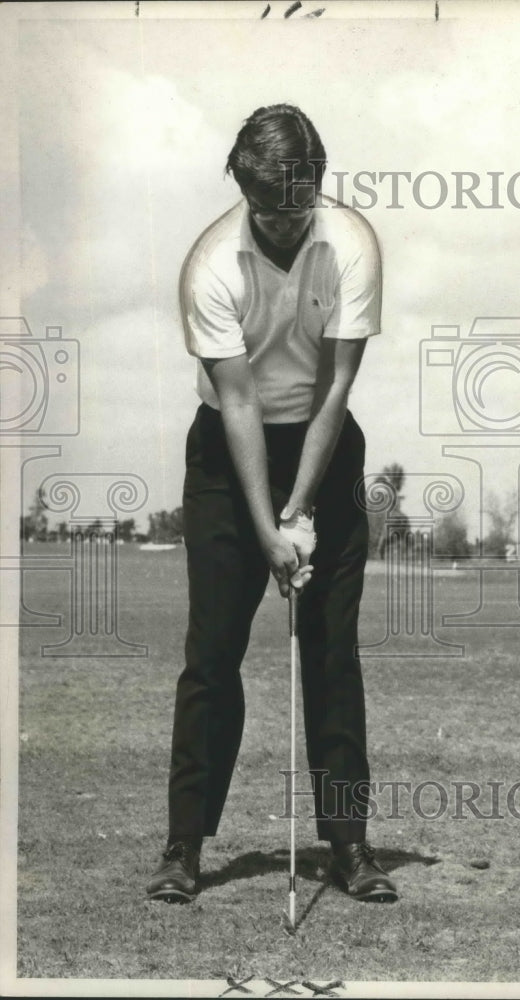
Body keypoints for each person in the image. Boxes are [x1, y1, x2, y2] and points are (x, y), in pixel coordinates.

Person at [146, 104, 397, 905]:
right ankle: (184, 846)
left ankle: (349, 847)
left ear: (317, 186)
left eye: (298, 205)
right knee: (213, 653)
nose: (285, 224)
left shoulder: (352, 245)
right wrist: (269, 526)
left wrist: (304, 509)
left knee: (332, 652)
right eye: (268, 210)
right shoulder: (210, 264)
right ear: (244, 194)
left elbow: (334, 387)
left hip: (324, 444)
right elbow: (242, 401)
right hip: (228, 453)